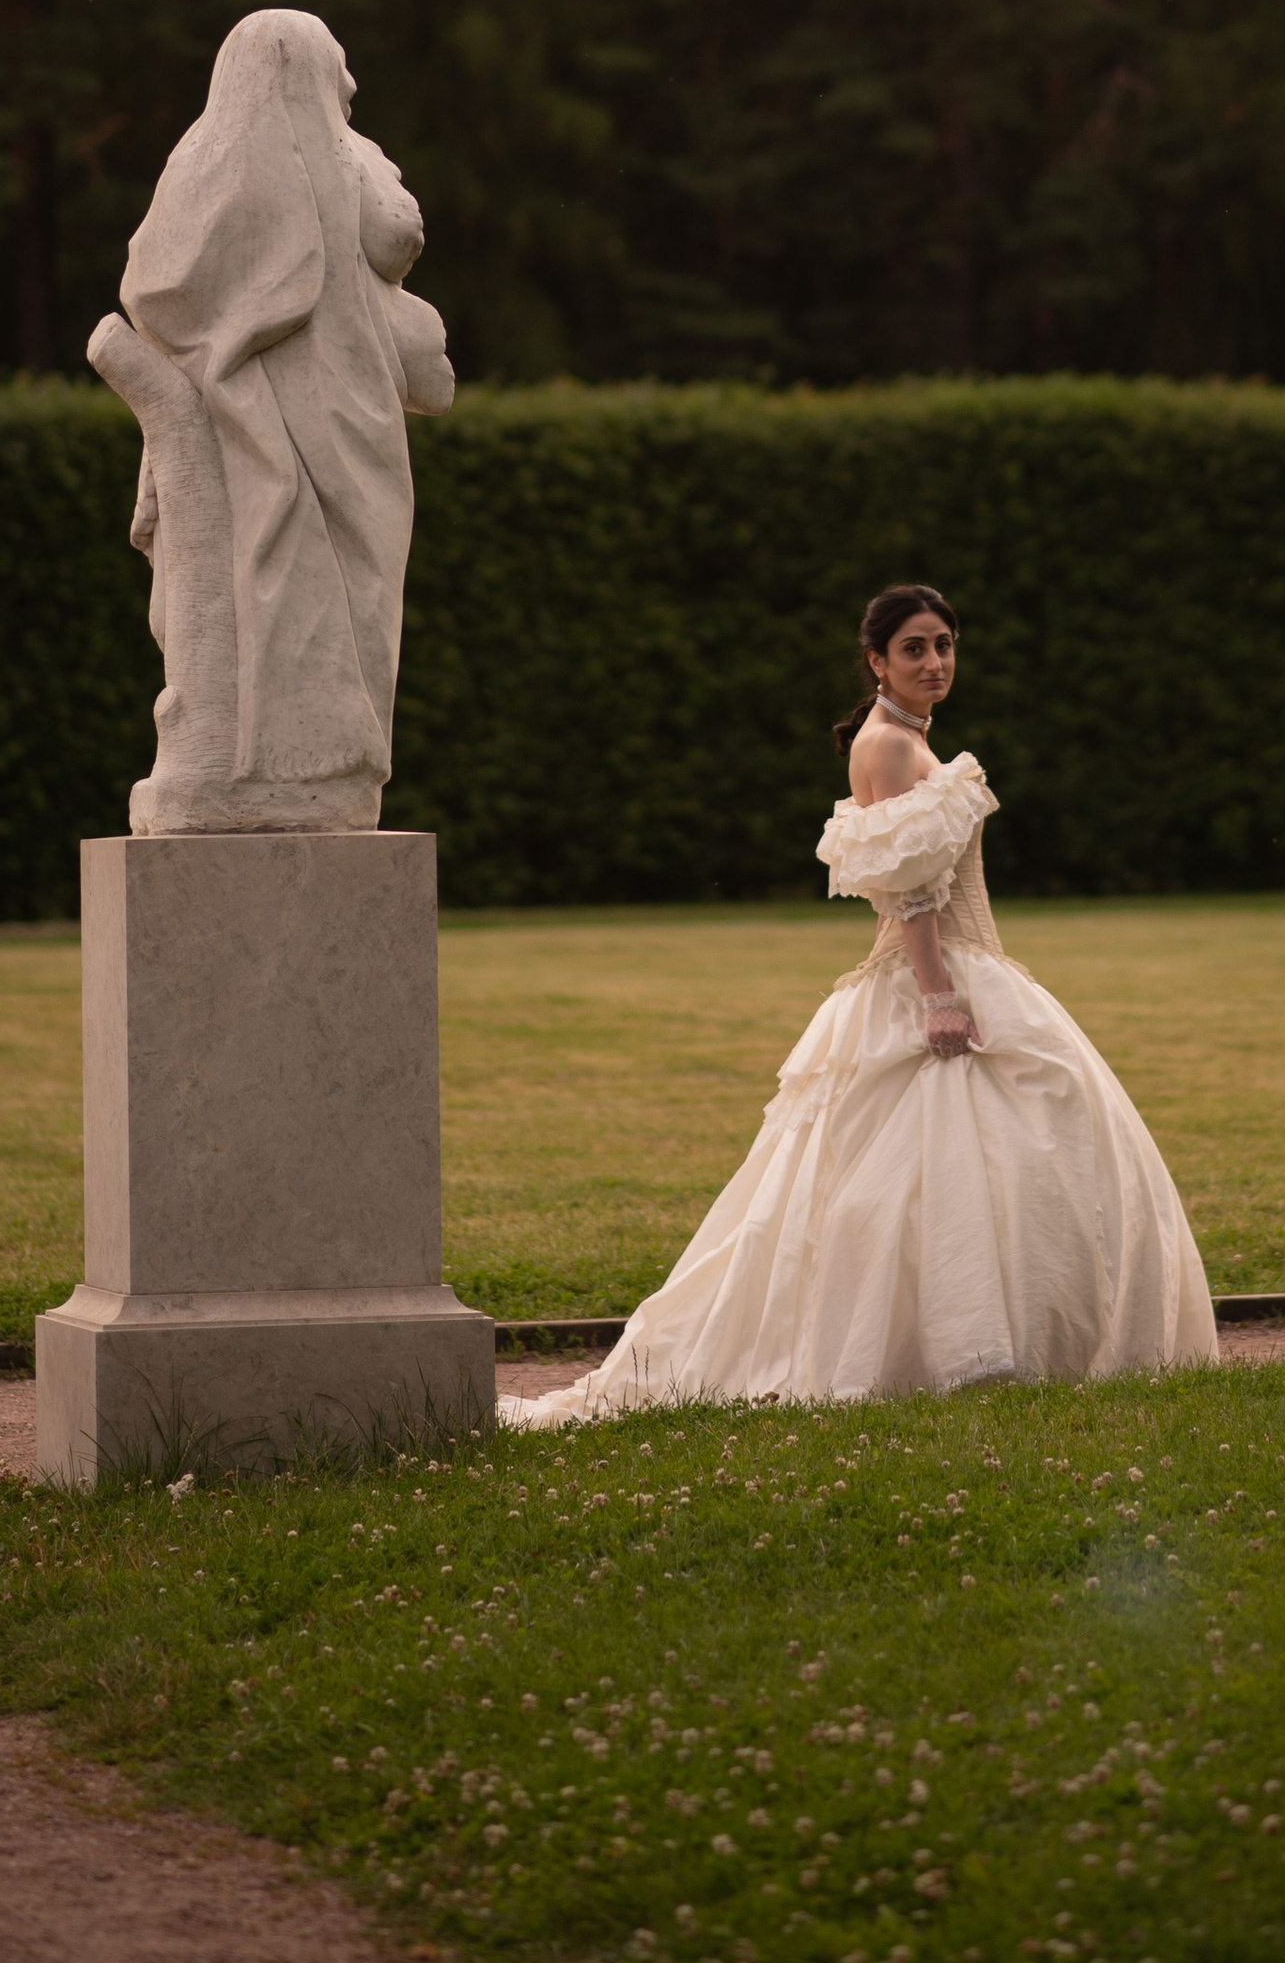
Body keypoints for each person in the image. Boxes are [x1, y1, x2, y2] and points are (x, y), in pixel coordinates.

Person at [505, 582, 1218, 1417]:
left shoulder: (908, 744)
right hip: (934, 978)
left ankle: (1022, 1348)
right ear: (876, 661)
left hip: (970, 965)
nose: (934, 662)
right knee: (926, 1177)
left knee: (1019, 1162)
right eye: (914, 648)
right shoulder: (886, 748)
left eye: (944, 645)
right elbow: (910, 894)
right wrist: (939, 997)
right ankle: (951, 1353)